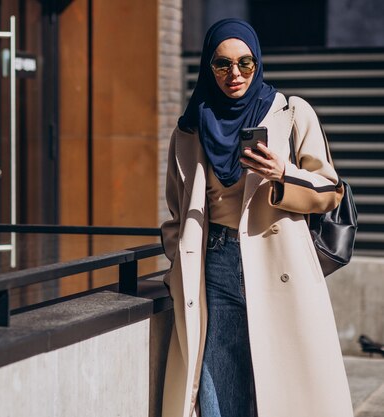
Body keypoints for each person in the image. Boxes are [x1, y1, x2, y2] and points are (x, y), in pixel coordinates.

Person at [160, 19, 354, 417]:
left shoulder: (290, 113)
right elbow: (177, 211)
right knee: (217, 382)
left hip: (279, 263)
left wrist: (283, 173)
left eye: (245, 63)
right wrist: (178, 261)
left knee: (284, 384)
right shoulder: (190, 129)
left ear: (257, 62)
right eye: (223, 64)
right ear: (208, 68)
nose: (235, 74)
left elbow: (330, 192)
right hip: (214, 267)